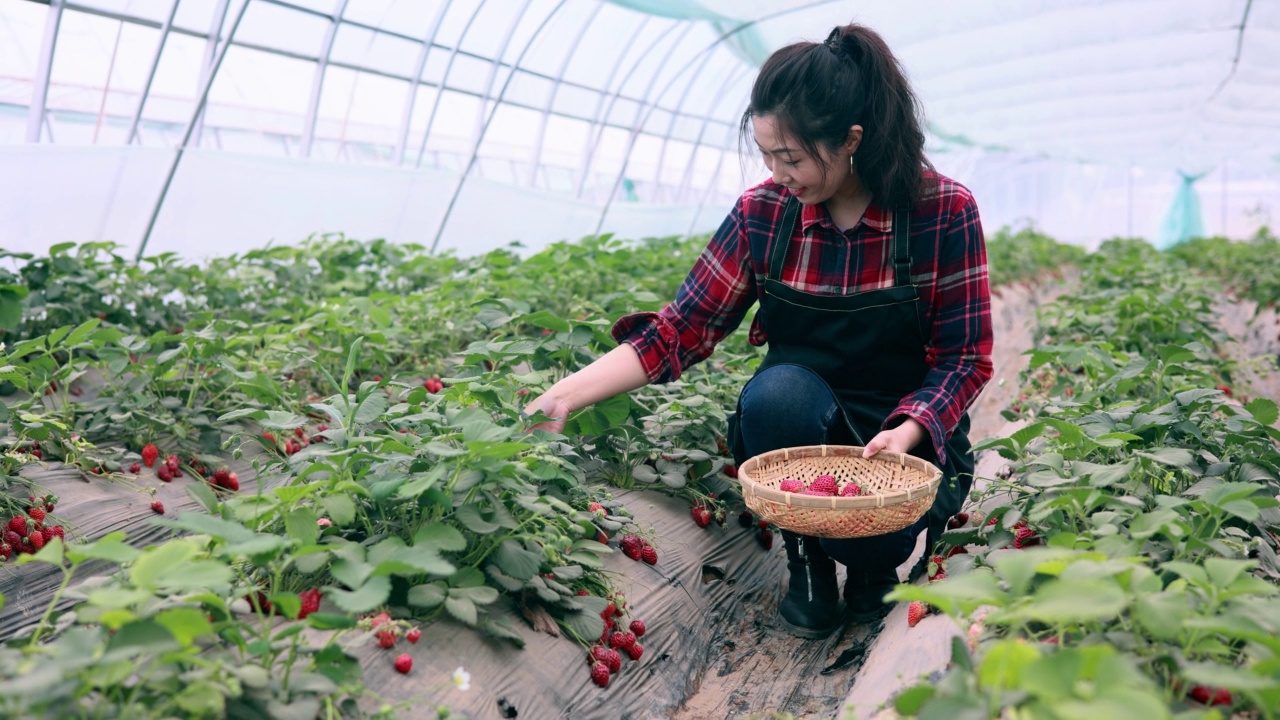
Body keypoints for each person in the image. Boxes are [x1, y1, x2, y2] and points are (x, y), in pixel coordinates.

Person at [523, 22, 993, 639]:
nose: (778, 172)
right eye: (767, 154)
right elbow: (678, 332)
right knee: (776, 396)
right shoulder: (764, 214)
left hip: (897, 438)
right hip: (801, 422)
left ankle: (875, 566)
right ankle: (808, 560)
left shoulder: (941, 212)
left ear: (851, 140)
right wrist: (562, 395)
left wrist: (907, 433)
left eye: (791, 157)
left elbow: (966, 358)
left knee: (875, 542)